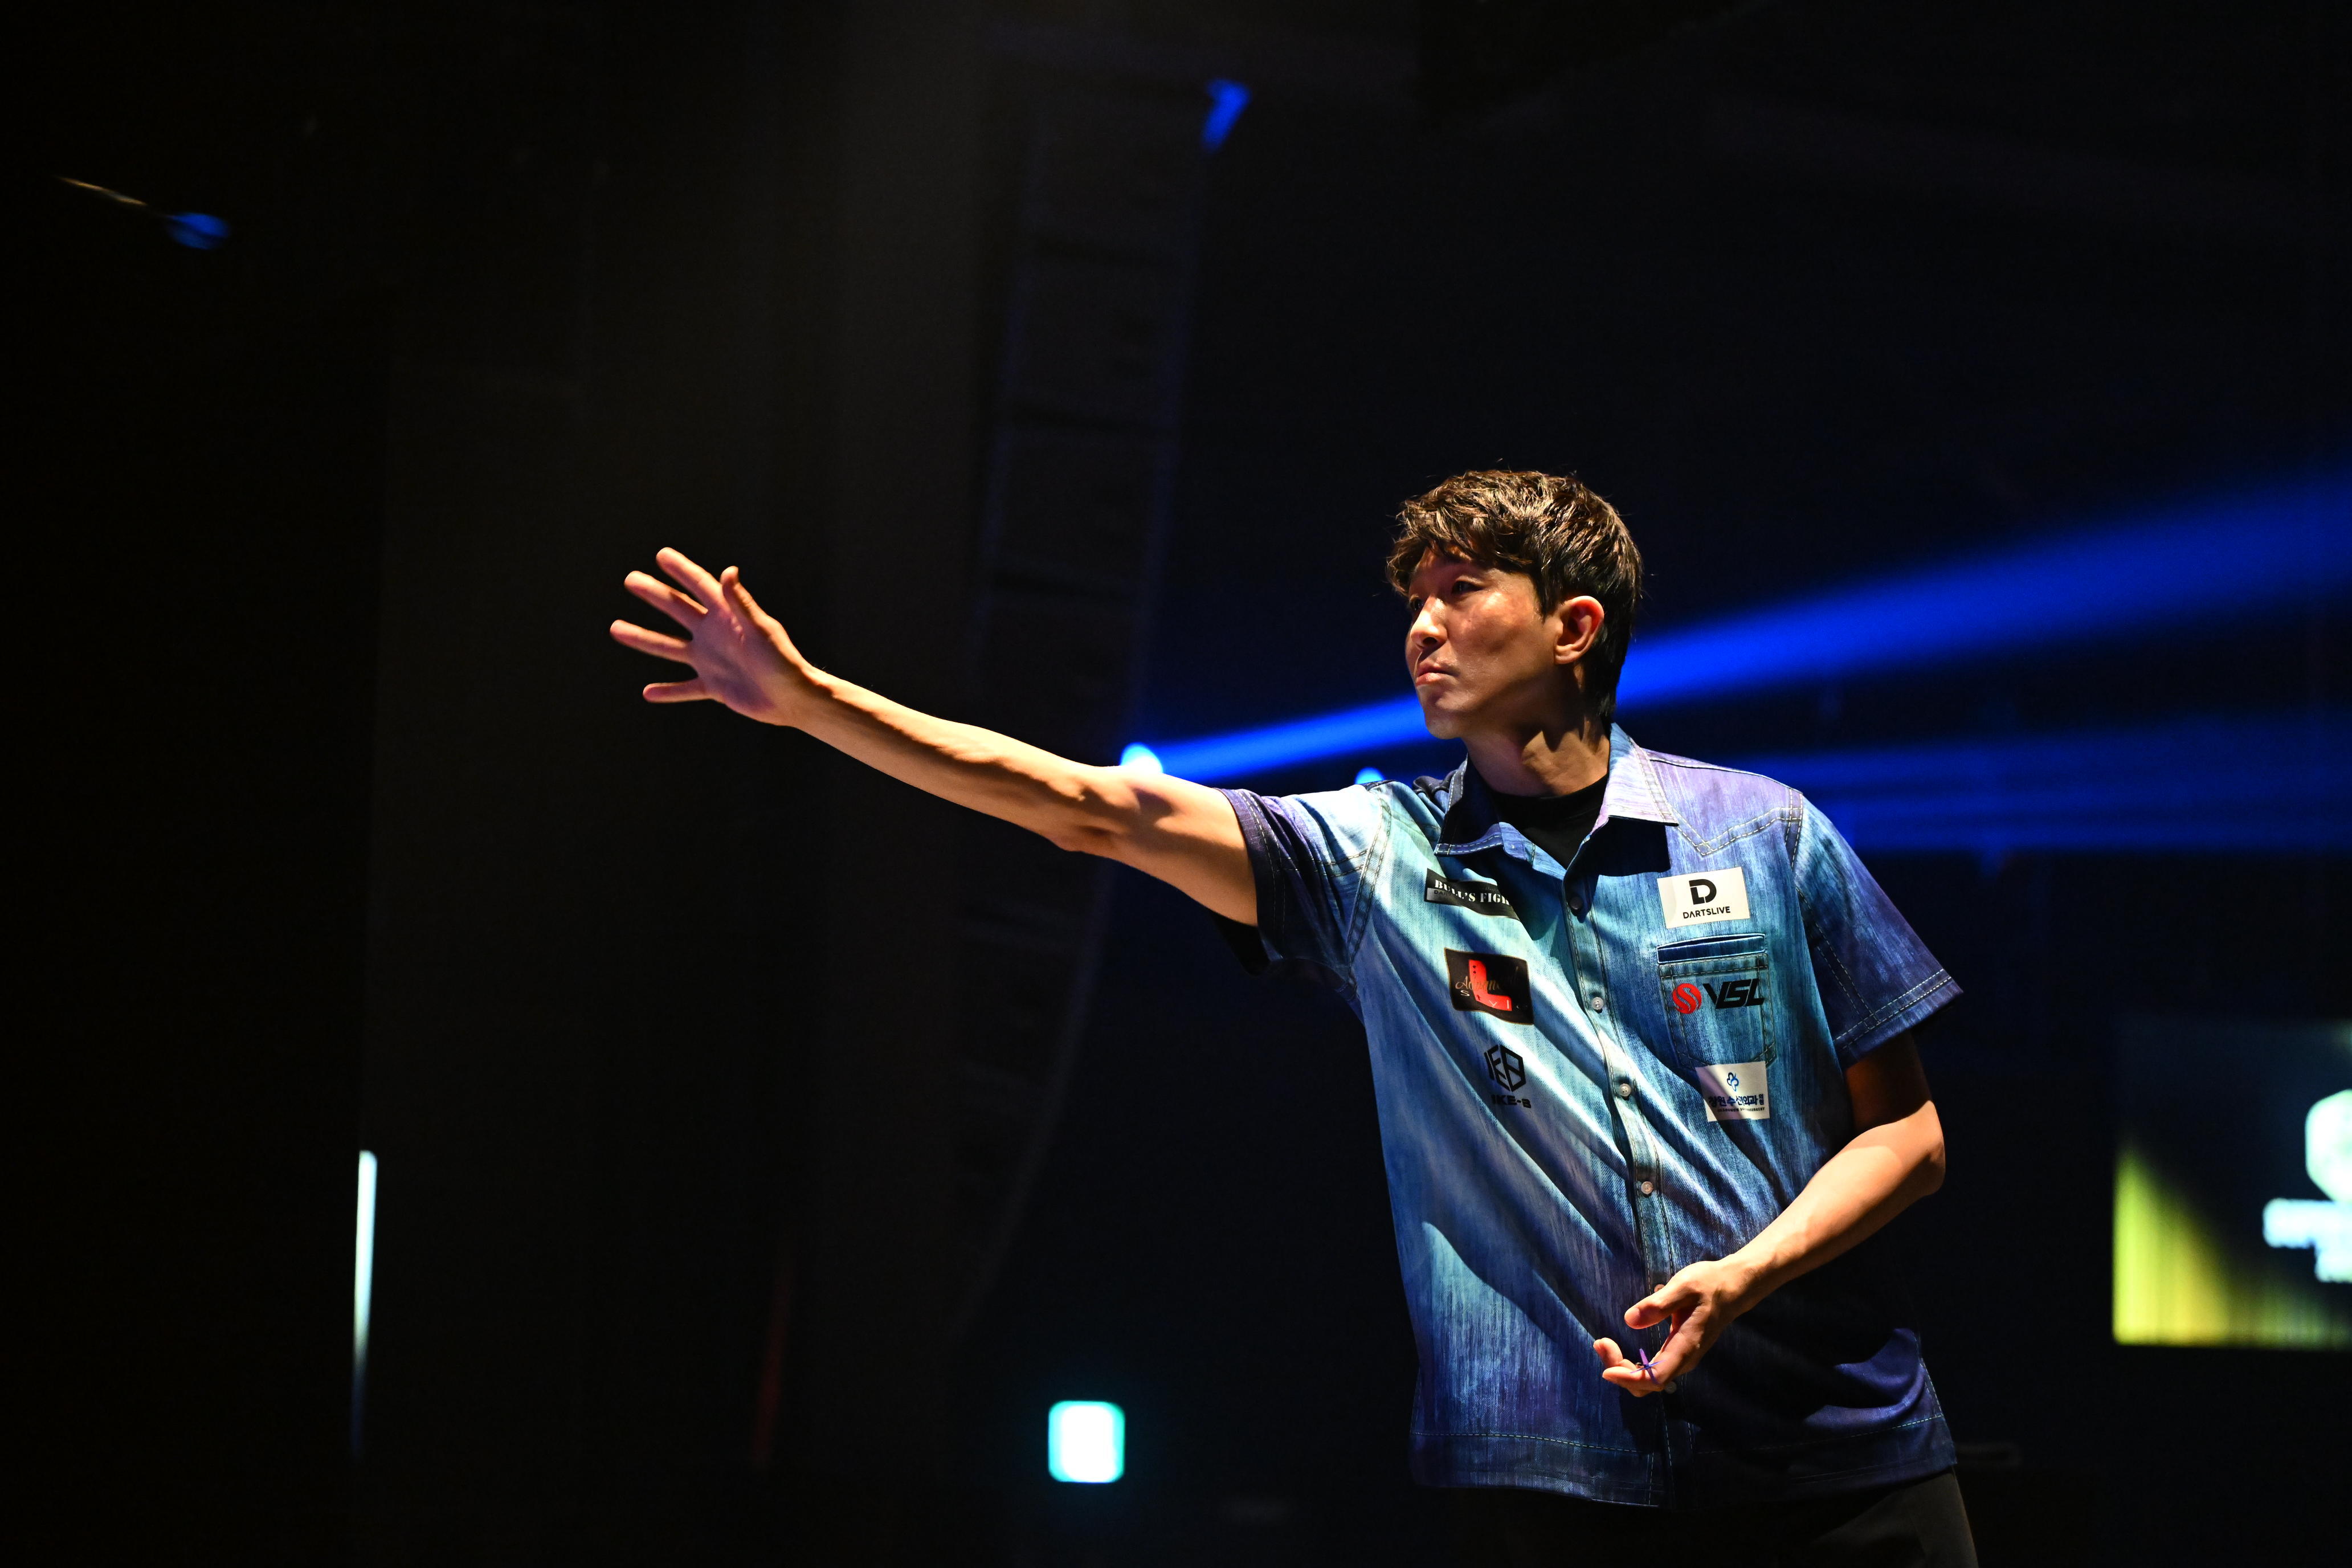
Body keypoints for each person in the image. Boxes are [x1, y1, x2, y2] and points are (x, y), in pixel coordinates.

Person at [610, 469, 1975, 1566]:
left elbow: (1906, 1134)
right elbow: (1088, 807)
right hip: (1555, 1478)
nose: (1423, 627)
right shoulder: (1375, 857)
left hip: (1845, 1459)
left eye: (1462, 590)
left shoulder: (1768, 834)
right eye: (1414, 600)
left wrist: (1747, 1272)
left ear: (1574, 626)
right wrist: (811, 703)